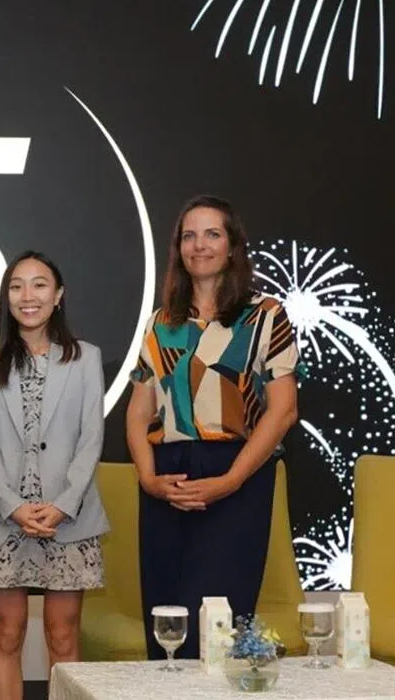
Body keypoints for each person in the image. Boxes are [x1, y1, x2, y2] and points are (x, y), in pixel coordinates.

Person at [127, 195, 300, 659]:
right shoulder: (160, 323)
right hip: (168, 480)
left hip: (237, 476)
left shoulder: (266, 315)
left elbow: (283, 411)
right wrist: (148, 478)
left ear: (233, 247)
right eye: (188, 235)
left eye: (211, 234)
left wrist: (230, 480)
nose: (198, 245)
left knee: (218, 627)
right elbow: (139, 411)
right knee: (167, 626)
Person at [0, 251, 109, 698]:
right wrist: (11, 505)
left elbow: (92, 439)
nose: (28, 296)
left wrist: (63, 504)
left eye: (39, 284)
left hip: (67, 516)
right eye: (16, 286)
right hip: (3, 515)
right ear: (6, 297)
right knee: (6, 635)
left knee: (62, 637)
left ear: (58, 294)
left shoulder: (86, 358)